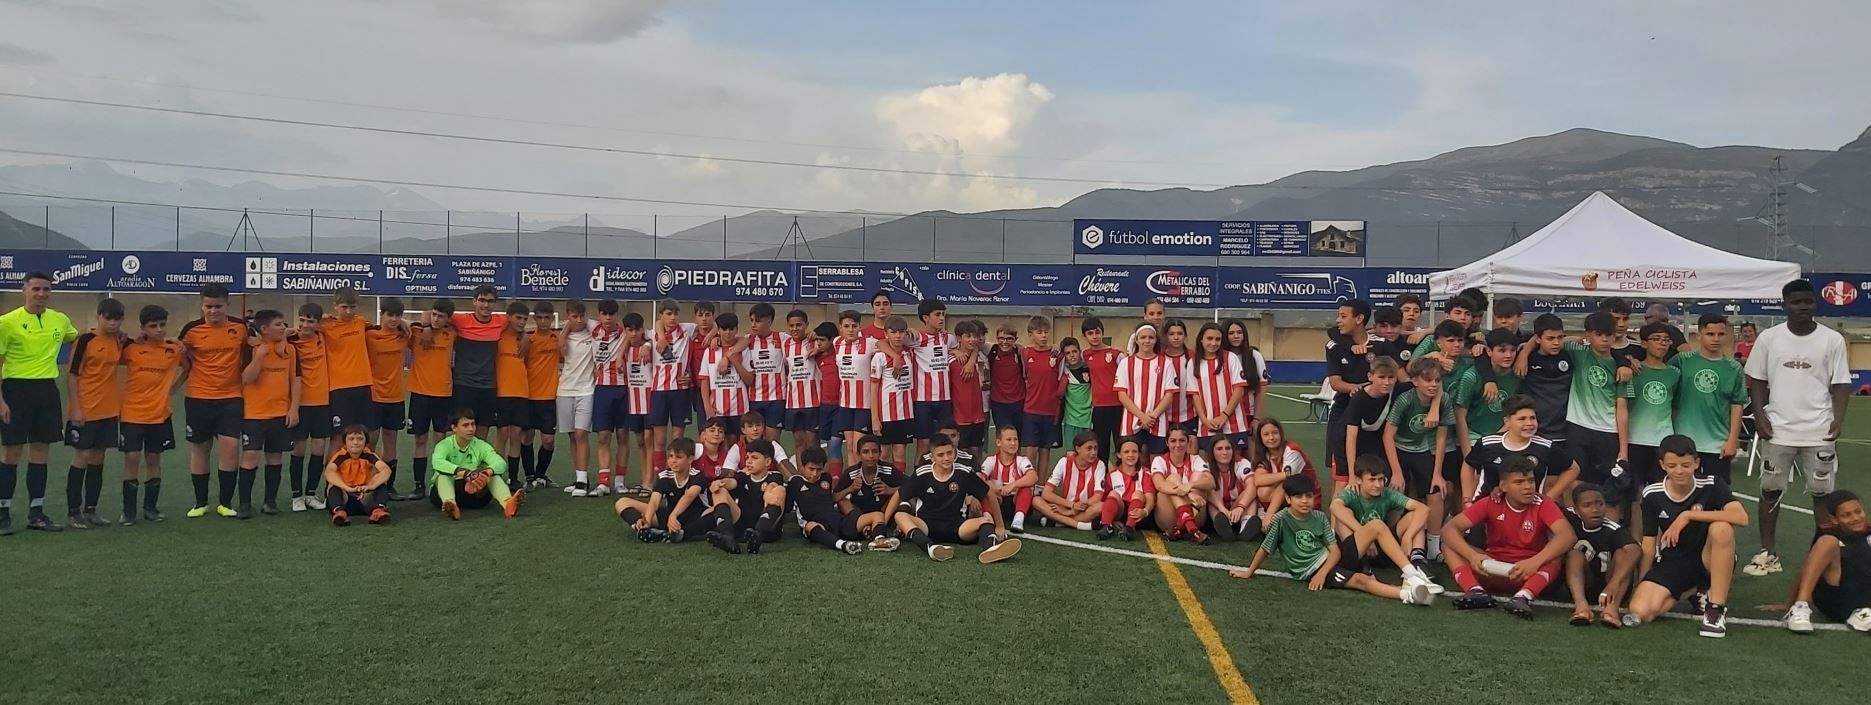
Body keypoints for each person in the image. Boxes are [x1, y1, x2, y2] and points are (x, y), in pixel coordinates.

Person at [1743, 279, 1851, 578]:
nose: (1803, 307)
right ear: (1784, 305)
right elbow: (1757, 380)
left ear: (1815, 304)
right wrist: (1760, 416)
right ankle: (1768, 553)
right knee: (1770, 490)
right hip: (1779, 429)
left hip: (1819, 429)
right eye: (1796, 302)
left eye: (1808, 302)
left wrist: (1838, 420)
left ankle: (1824, 550)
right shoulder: (1770, 338)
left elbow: (1841, 384)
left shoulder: (1832, 340)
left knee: (1822, 493)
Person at [1231, 474, 1435, 607]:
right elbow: (1265, 549)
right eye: (1299, 497)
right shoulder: (1281, 520)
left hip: (1331, 561)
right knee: (1360, 581)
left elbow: (1335, 550)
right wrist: (1249, 571)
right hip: (1315, 569)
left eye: (1309, 496)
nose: (1305, 501)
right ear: (1288, 499)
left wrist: (1322, 573)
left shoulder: (1319, 517)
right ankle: (1408, 595)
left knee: (1377, 526)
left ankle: (1412, 574)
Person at [1627, 435, 1747, 637]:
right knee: (1641, 611)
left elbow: (1741, 517)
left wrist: (1688, 515)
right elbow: (1648, 542)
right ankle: (1694, 590)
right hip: (1675, 559)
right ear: (1662, 465)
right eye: (1672, 465)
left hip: (1708, 556)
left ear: (1696, 463)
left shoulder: (1712, 484)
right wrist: (1642, 580)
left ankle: (1715, 610)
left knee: (1722, 528)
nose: (1680, 471)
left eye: (1686, 465)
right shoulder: (1652, 494)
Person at [1441, 457, 1577, 619]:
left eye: (1531, 481)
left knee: (1558, 553)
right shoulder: (1490, 502)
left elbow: (1568, 536)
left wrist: (1535, 562)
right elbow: (1449, 529)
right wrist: (1473, 556)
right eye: (1519, 482)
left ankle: (1523, 597)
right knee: (1449, 546)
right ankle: (1476, 591)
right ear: (1503, 486)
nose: (1527, 487)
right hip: (1493, 568)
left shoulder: (1543, 503)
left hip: (1529, 572)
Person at [885, 435, 1022, 564]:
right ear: (932, 457)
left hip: (957, 527)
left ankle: (991, 549)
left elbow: (989, 494)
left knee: (985, 520)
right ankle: (930, 547)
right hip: (926, 526)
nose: (946, 458)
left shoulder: (963, 473)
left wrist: (999, 525)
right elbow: (898, 495)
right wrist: (884, 524)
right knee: (900, 515)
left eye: (949, 453)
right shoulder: (922, 473)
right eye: (940, 455)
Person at [178, 283, 245, 519]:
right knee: (200, 449)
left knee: (230, 447)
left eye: (218, 306)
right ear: (201, 305)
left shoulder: (241, 327)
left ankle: (225, 503)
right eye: (208, 306)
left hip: (231, 398)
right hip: (198, 398)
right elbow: (176, 353)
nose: (213, 311)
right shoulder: (191, 330)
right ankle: (201, 502)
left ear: (227, 305)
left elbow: (266, 338)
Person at [61, 298, 125, 529]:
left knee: (99, 459)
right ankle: (73, 512)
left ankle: (91, 510)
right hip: (86, 410)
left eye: (117, 319)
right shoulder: (85, 340)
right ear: (99, 316)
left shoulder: (119, 340)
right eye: (108, 318)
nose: (112, 323)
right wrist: (76, 408)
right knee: (82, 458)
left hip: (108, 411)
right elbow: (72, 375)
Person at [1559, 312, 1629, 520]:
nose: (1605, 340)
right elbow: (1558, 340)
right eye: (1598, 335)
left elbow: (1622, 408)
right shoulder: (1578, 352)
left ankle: (1607, 542)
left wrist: (1623, 450)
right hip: (1577, 428)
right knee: (1573, 482)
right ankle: (1576, 531)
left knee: (1608, 490)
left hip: (1608, 432)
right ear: (1588, 334)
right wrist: (1579, 339)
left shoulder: (1621, 368)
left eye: (1609, 335)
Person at [118, 305, 182, 524]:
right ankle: (128, 512)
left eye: (162, 325)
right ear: (143, 328)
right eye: (153, 326)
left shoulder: (173, 349)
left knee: (154, 459)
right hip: (132, 414)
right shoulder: (130, 349)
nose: (159, 330)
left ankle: (150, 508)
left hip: (160, 415)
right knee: (132, 458)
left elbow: (189, 366)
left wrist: (173, 388)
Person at [1384, 357, 1453, 556]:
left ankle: (1433, 547)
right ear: (1415, 381)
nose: (1433, 385)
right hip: (1399, 449)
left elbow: (1441, 437)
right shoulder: (1406, 399)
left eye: (1437, 381)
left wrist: (1437, 473)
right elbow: (1388, 435)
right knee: (1395, 492)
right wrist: (1396, 472)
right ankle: (1390, 541)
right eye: (1428, 380)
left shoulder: (1444, 400)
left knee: (1436, 491)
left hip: (1423, 449)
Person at [1669, 314, 1747, 484]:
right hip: (1684, 440)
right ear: (1699, 335)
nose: (1716, 339)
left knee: (1718, 494)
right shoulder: (1681, 361)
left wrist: (1733, 440)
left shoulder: (1734, 368)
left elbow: (1737, 405)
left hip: (1717, 443)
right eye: (1710, 334)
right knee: (1683, 491)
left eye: (1720, 334)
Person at [1779, 491, 1871, 633]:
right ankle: (1800, 608)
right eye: (1846, 515)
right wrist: (1789, 602)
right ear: (1834, 519)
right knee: (1828, 542)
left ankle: (1862, 611)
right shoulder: (1828, 534)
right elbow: (1807, 568)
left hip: (1863, 594)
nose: (1855, 518)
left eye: (1858, 512)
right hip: (1836, 596)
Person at [240, 309, 301, 520]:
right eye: (278, 324)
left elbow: (296, 380)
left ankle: (270, 501)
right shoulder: (251, 348)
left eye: (283, 324)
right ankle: (245, 504)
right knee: (250, 457)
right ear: (264, 329)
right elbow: (247, 379)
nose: (283, 327)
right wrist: (259, 357)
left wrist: (293, 409)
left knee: (275, 458)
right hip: (254, 414)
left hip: (280, 413)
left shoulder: (290, 350)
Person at [1461, 396, 1578, 505]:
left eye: (1532, 418)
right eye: (1522, 419)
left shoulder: (1545, 446)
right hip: (1486, 505)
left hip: (1529, 510)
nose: (1529, 423)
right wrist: (1467, 499)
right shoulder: (1487, 443)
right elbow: (1468, 464)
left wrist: (1549, 497)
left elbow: (1573, 469)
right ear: (1507, 422)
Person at [1560, 482, 1640, 627]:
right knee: (1574, 555)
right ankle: (1581, 607)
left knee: (1624, 554)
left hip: (1612, 586)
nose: (1595, 509)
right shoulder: (1568, 518)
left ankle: (1612, 609)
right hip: (1584, 583)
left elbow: (1635, 550)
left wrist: (1613, 584)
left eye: (1600, 504)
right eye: (1587, 505)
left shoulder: (1613, 529)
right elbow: (1544, 503)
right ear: (1576, 510)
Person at [399, 298, 455, 503]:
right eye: (434, 314)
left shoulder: (453, 334)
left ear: (448, 319)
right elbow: (401, 324)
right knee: (420, 440)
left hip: (443, 394)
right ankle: (418, 485)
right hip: (420, 394)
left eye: (441, 316)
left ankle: (438, 481)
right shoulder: (416, 332)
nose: (437, 319)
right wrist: (424, 324)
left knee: (440, 442)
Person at [1622, 322, 1682, 509]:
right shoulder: (1633, 371)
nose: (1662, 344)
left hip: (1662, 441)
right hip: (1635, 440)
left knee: (1661, 493)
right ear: (1644, 344)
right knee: (1635, 495)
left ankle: (1660, 539)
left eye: (1666, 340)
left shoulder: (1675, 373)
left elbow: (1675, 406)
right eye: (1656, 339)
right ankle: (1636, 538)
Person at [1333, 455, 1432, 567]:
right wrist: (1364, 533)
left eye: (1381, 479)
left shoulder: (1387, 493)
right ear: (1358, 480)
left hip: (1382, 544)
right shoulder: (1352, 493)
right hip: (1359, 546)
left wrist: (1407, 537)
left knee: (1415, 516)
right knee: (1341, 516)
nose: (1378, 485)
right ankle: (1356, 563)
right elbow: (1334, 507)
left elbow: (1423, 509)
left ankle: (1418, 561)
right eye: (1372, 480)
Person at [428, 409, 521, 520]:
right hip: (441, 494)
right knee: (442, 475)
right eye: (465, 425)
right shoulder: (444, 445)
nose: (471, 429)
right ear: (454, 428)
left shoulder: (480, 445)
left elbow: (500, 462)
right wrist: (464, 473)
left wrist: (486, 473)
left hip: (476, 492)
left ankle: (508, 504)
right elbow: (437, 462)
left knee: (493, 474)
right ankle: (450, 504)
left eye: (473, 424)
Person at [285, 303, 332, 515]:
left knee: (319, 447)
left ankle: (311, 494)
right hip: (300, 404)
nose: (305, 325)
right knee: (298, 450)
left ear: (318, 323)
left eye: (310, 321)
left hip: (322, 402)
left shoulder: (323, 337)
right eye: (302, 320)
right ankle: (296, 496)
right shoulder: (290, 340)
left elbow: (334, 321)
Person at [790, 447, 882, 555]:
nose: (815, 473)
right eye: (811, 469)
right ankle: (843, 545)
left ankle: (880, 540)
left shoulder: (826, 478)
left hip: (837, 520)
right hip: (818, 525)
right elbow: (786, 506)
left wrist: (850, 489)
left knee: (877, 515)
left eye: (819, 469)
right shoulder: (795, 482)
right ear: (803, 467)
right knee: (810, 526)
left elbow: (831, 499)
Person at [613, 437, 706, 543]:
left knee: (713, 512)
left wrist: (674, 515)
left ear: (690, 459)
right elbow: (654, 501)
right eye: (670, 456)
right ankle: (642, 529)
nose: (673, 461)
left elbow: (688, 497)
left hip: (693, 517)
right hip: (669, 515)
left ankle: (682, 534)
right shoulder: (664, 476)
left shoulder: (697, 475)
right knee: (622, 502)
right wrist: (647, 520)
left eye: (678, 457)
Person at [705, 438, 787, 555]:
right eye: (747, 457)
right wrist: (720, 483)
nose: (748, 461)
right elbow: (732, 482)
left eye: (754, 458)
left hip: (768, 532)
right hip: (743, 528)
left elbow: (772, 486)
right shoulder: (743, 476)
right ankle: (727, 537)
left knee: (779, 490)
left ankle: (758, 534)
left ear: (768, 462)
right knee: (720, 491)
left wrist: (768, 492)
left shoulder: (775, 476)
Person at [646, 298, 697, 484]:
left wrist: (712, 335)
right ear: (661, 315)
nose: (673, 318)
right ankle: (660, 480)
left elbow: (713, 325)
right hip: (659, 391)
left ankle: (676, 478)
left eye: (676, 314)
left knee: (677, 439)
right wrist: (660, 335)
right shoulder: (652, 334)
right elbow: (655, 328)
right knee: (659, 441)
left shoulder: (687, 329)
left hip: (681, 391)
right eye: (668, 314)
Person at [363, 297, 411, 496]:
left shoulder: (404, 335)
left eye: (398, 316)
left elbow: (426, 322)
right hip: (373, 396)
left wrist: (405, 324)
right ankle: (366, 481)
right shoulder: (369, 335)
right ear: (381, 314)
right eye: (390, 315)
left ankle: (387, 486)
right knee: (370, 442)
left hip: (395, 397)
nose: (394, 319)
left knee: (391, 442)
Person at [1325, 299, 1376, 479]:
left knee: (1371, 469)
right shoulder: (1334, 346)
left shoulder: (1379, 344)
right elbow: (1335, 383)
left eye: (1343, 316)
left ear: (1359, 318)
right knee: (1341, 472)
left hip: (1373, 413)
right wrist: (1355, 388)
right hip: (1343, 409)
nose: (1338, 320)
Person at [451, 285, 507, 440]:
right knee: (462, 432)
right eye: (482, 300)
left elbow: (519, 326)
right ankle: (460, 464)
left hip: (488, 387)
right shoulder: (460, 320)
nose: (486, 305)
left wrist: (522, 336)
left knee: (482, 433)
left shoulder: (501, 322)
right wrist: (427, 327)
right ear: (474, 301)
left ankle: (477, 464)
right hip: (464, 385)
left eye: (490, 301)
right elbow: (430, 314)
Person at [1454, 329, 1522, 457]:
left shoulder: (1518, 375)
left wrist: (1499, 437)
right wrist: (1468, 456)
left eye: (1512, 350)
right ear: (1489, 351)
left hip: (1504, 435)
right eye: (1502, 350)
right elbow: (1460, 415)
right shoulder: (1471, 376)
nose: (1508, 355)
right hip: (1473, 437)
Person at [1243, 419, 1316, 536]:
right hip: (1287, 497)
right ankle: (1244, 517)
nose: (1271, 437)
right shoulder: (1264, 454)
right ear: (1260, 438)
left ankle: (1268, 518)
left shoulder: (1291, 450)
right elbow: (1258, 480)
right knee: (1262, 490)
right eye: (1266, 434)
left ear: (1281, 434)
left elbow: (1286, 483)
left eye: (1275, 433)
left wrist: (1269, 516)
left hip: (1305, 496)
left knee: (1283, 484)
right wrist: (1283, 475)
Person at [1115, 324, 1179, 454]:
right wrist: (1142, 416)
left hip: (1157, 422)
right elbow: (1122, 395)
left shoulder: (1165, 363)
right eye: (1143, 337)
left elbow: (1169, 395)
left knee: (1156, 462)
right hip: (1131, 423)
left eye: (1151, 337)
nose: (1147, 340)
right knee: (1132, 461)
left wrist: (1152, 417)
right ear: (1136, 340)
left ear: (1156, 340)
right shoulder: (1126, 363)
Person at [555, 300, 597, 497]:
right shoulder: (564, 335)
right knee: (572, 435)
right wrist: (565, 331)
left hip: (586, 390)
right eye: (574, 316)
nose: (579, 320)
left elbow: (617, 327)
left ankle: (582, 481)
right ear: (568, 316)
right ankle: (579, 477)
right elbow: (560, 351)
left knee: (581, 434)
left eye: (582, 316)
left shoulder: (593, 331)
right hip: (565, 390)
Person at [1187, 322, 1251, 451]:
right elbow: (1195, 395)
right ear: (1201, 339)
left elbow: (1239, 390)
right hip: (1208, 423)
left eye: (1218, 339)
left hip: (1234, 423)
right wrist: (1204, 420)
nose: (1214, 343)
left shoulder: (1231, 358)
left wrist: (1224, 415)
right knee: (1211, 463)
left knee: (1236, 461)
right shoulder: (1193, 363)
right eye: (1209, 338)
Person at [907, 299, 957, 458]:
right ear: (925, 317)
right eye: (937, 314)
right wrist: (906, 329)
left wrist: (958, 352)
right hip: (923, 400)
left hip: (945, 399)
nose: (942, 318)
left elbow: (962, 347)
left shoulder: (948, 338)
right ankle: (919, 478)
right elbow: (886, 341)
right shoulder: (916, 338)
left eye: (943, 314)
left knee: (946, 441)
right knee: (924, 443)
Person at [1515, 313, 1574, 446]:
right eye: (1550, 338)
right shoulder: (1525, 358)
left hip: (1566, 432)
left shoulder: (1570, 354)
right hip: (1535, 432)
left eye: (1560, 337)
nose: (1556, 342)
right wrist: (1524, 353)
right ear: (1537, 339)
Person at [321, 286, 374, 432]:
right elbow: (301, 329)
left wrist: (401, 322)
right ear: (335, 306)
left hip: (363, 385)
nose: (349, 311)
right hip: (339, 388)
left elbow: (386, 326)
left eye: (352, 307)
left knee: (364, 432)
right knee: (339, 435)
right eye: (344, 307)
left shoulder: (361, 322)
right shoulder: (325, 325)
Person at [1340, 356, 1399, 488]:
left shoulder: (1397, 390)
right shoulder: (1359, 399)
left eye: (1391, 377)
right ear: (1370, 376)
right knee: (1346, 488)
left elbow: (1423, 381)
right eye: (1381, 377)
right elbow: (1351, 436)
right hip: (1347, 445)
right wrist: (1351, 475)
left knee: (1379, 484)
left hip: (1375, 444)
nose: (1387, 382)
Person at [520, 301, 561, 488]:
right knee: (526, 437)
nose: (543, 321)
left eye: (547, 318)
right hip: (528, 397)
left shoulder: (557, 339)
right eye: (540, 318)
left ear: (552, 319)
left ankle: (541, 474)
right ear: (534, 319)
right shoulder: (529, 340)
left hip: (548, 398)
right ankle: (529, 476)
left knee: (548, 440)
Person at [1018, 316, 1066, 472]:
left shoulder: (1057, 355)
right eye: (1039, 332)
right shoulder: (1025, 353)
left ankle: (1041, 486)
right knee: (1031, 449)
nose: (1044, 336)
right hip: (1031, 409)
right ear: (1030, 334)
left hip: (1051, 410)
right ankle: (1028, 485)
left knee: (1045, 450)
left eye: (1046, 332)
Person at [1150, 427, 1214, 543]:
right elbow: (1159, 485)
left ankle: (1182, 528)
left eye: (1182, 440)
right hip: (1167, 518)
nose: (1178, 445)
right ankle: (1191, 528)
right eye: (1173, 441)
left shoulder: (1196, 459)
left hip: (1196, 515)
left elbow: (1211, 482)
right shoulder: (1159, 460)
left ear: (1188, 442)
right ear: (1167, 443)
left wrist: (1191, 485)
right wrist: (1190, 494)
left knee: (1199, 478)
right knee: (1173, 478)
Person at [492, 301, 532, 485]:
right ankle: (498, 475)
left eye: (525, 319)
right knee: (502, 434)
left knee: (516, 435)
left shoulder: (526, 340)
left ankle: (514, 478)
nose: (522, 322)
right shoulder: (498, 336)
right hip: (502, 393)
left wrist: (524, 335)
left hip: (522, 393)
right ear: (509, 317)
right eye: (518, 318)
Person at [868, 316, 917, 466]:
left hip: (905, 412)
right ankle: (880, 486)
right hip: (885, 414)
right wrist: (875, 418)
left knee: (900, 453)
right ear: (886, 334)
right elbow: (874, 388)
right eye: (893, 332)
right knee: (883, 453)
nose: (897, 336)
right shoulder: (879, 357)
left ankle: (898, 487)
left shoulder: (910, 353)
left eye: (901, 332)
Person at [1033, 432, 1106, 531]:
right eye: (1089, 448)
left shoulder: (1100, 465)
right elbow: (1046, 493)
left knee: (1100, 507)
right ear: (1078, 449)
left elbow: (1097, 497)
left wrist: (1075, 510)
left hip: (1085, 508)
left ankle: (1058, 522)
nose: (1093, 452)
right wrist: (1071, 505)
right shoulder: (1065, 462)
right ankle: (1078, 524)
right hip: (1066, 505)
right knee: (1036, 501)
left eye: (1095, 448)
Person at [320, 425, 391, 526]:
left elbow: (386, 470)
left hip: (364, 497)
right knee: (333, 485)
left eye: (360, 439)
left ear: (366, 442)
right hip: (346, 498)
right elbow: (329, 472)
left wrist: (370, 486)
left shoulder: (369, 455)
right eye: (351, 439)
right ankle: (339, 512)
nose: (356, 442)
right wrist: (347, 488)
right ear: (345, 442)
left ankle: (378, 511)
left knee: (381, 482)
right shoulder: (341, 456)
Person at [831, 309, 875, 469]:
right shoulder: (837, 342)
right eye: (847, 326)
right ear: (840, 327)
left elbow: (886, 343)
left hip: (863, 405)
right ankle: (852, 482)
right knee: (849, 447)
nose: (850, 329)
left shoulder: (869, 343)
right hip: (845, 405)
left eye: (854, 326)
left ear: (859, 327)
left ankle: (863, 483)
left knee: (858, 448)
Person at [836, 435, 900, 541]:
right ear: (858, 454)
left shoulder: (889, 470)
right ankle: (866, 526)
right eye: (865, 452)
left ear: (880, 453)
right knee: (842, 501)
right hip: (859, 514)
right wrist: (850, 489)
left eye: (874, 451)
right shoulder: (851, 473)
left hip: (884, 512)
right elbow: (834, 497)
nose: (871, 456)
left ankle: (882, 526)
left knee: (900, 496)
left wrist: (890, 490)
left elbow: (910, 488)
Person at [698, 312, 750, 440]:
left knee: (739, 445)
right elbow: (705, 381)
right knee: (718, 444)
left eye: (731, 329)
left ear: (737, 329)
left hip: (740, 408)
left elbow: (749, 380)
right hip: (717, 409)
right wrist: (707, 407)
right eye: (724, 329)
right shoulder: (709, 351)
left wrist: (733, 360)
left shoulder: (743, 350)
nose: (728, 332)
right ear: (718, 330)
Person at [740, 302, 787, 442]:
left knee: (772, 443)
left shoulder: (783, 338)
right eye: (752, 320)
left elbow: (802, 340)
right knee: (754, 442)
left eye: (758, 321)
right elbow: (728, 344)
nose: (753, 324)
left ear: (769, 320)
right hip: (754, 398)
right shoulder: (747, 340)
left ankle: (771, 464)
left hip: (776, 399)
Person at [978, 426, 1038, 532]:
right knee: (986, 489)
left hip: (1016, 503)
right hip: (997, 503)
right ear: (998, 442)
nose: (1013, 443)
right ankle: (988, 520)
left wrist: (1013, 485)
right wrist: (991, 487)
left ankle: (1018, 521)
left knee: (1026, 487)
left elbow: (1033, 477)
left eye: (1015, 439)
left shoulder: (1022, 460)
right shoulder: (991, 460)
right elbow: (979, 478)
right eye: (1009, 440)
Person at [781, 309, 822, 460]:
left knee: (812, 441)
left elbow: (832, 335)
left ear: (806, 325)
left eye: (799, 325)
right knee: (798, 441)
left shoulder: (815, 341)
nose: (795, 328)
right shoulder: (785, 345)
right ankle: (800, 478)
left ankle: (815, 474)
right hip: (793, 402)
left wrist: (816, 334)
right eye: (791, 325)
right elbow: (786, 368)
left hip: (813, 400)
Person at [1080, 318, 1123, 463]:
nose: (1094, 336)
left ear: (1102, 333)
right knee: (1100, 446)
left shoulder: (1117, 354)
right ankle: (1101, 479)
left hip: (1119, 406)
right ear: (1084, 336)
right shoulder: (1084, 355)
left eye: (1097, 332)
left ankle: (1122, 479)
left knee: (1121, 444)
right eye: (1090, 333)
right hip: (1099, 408)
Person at [1097, 438, 1152, 541]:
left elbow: (1150, 498)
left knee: (1138, 493)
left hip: (1140, 515)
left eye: (1134, 451)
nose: (1130, 455)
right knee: (1113, 493)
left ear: (1139, 454)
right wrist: (1112, 520)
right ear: (1118, 455)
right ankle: (1106, 526)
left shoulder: (1145, 473)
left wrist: (1145, 511)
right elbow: (1104, 502)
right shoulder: (1111, 476)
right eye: (1126, 452)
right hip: (1121, 513)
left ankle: (1129, 528)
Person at [949, 320, 990, 458]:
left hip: (978, 415)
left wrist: (973, 359)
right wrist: (954, 351)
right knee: (961, 453)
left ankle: (977, 479)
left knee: (977, 451)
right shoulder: (951, 361)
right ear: (959, 338)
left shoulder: (981, 356)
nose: (972, 340)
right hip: (960, 416)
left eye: (974, 336)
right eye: (968, 336)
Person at [985, 322, 1025, 441]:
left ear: (1015, 339)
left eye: (1009, 339)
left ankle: (1016, 460)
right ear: (996, 338)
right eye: (1001, 338)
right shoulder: (991, 351)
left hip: (1018, 402)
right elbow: (974, 345)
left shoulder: (1021, 353)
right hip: (998, 403)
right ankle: (1001, 460)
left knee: (1016, 437)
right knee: (1002, 437)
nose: (1005, 342)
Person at [1059, 338, 1094, 449]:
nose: (1072, 355)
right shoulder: (1063, 370)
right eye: (1067, 353)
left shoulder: (1089, 368)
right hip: (1071, 421)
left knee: (1089, 453)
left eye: (1074, 351)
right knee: (1071, 454)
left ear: (1080, 351)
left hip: (1088, 420)